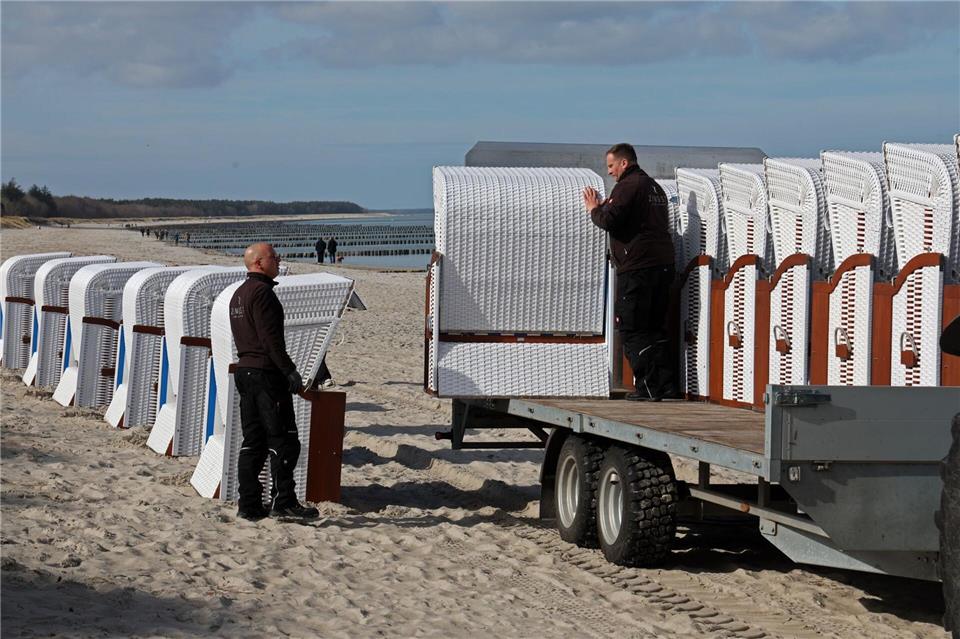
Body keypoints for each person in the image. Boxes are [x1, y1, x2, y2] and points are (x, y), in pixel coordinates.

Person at [229, 242, 320, 521]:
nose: (278, 260)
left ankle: (249, 504)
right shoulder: (263, 293)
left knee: (253, 440)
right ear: (258, 263)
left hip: (245, 372)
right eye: (273, 257)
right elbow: (271, 341)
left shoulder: (238, 294)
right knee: (284, 440)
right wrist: (289, 371)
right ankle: (284, 502)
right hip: (265, 374)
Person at [583, 143, 677, 401]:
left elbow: (609, 220)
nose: (610, 172)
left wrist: (594, 209)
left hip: (638, 267)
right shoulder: (654, 187)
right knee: (655, 328)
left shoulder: (628, 185)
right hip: (663, 265)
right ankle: (666, 386)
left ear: (624, 163)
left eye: (611, 166)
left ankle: (647, 387)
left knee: (632, 328)